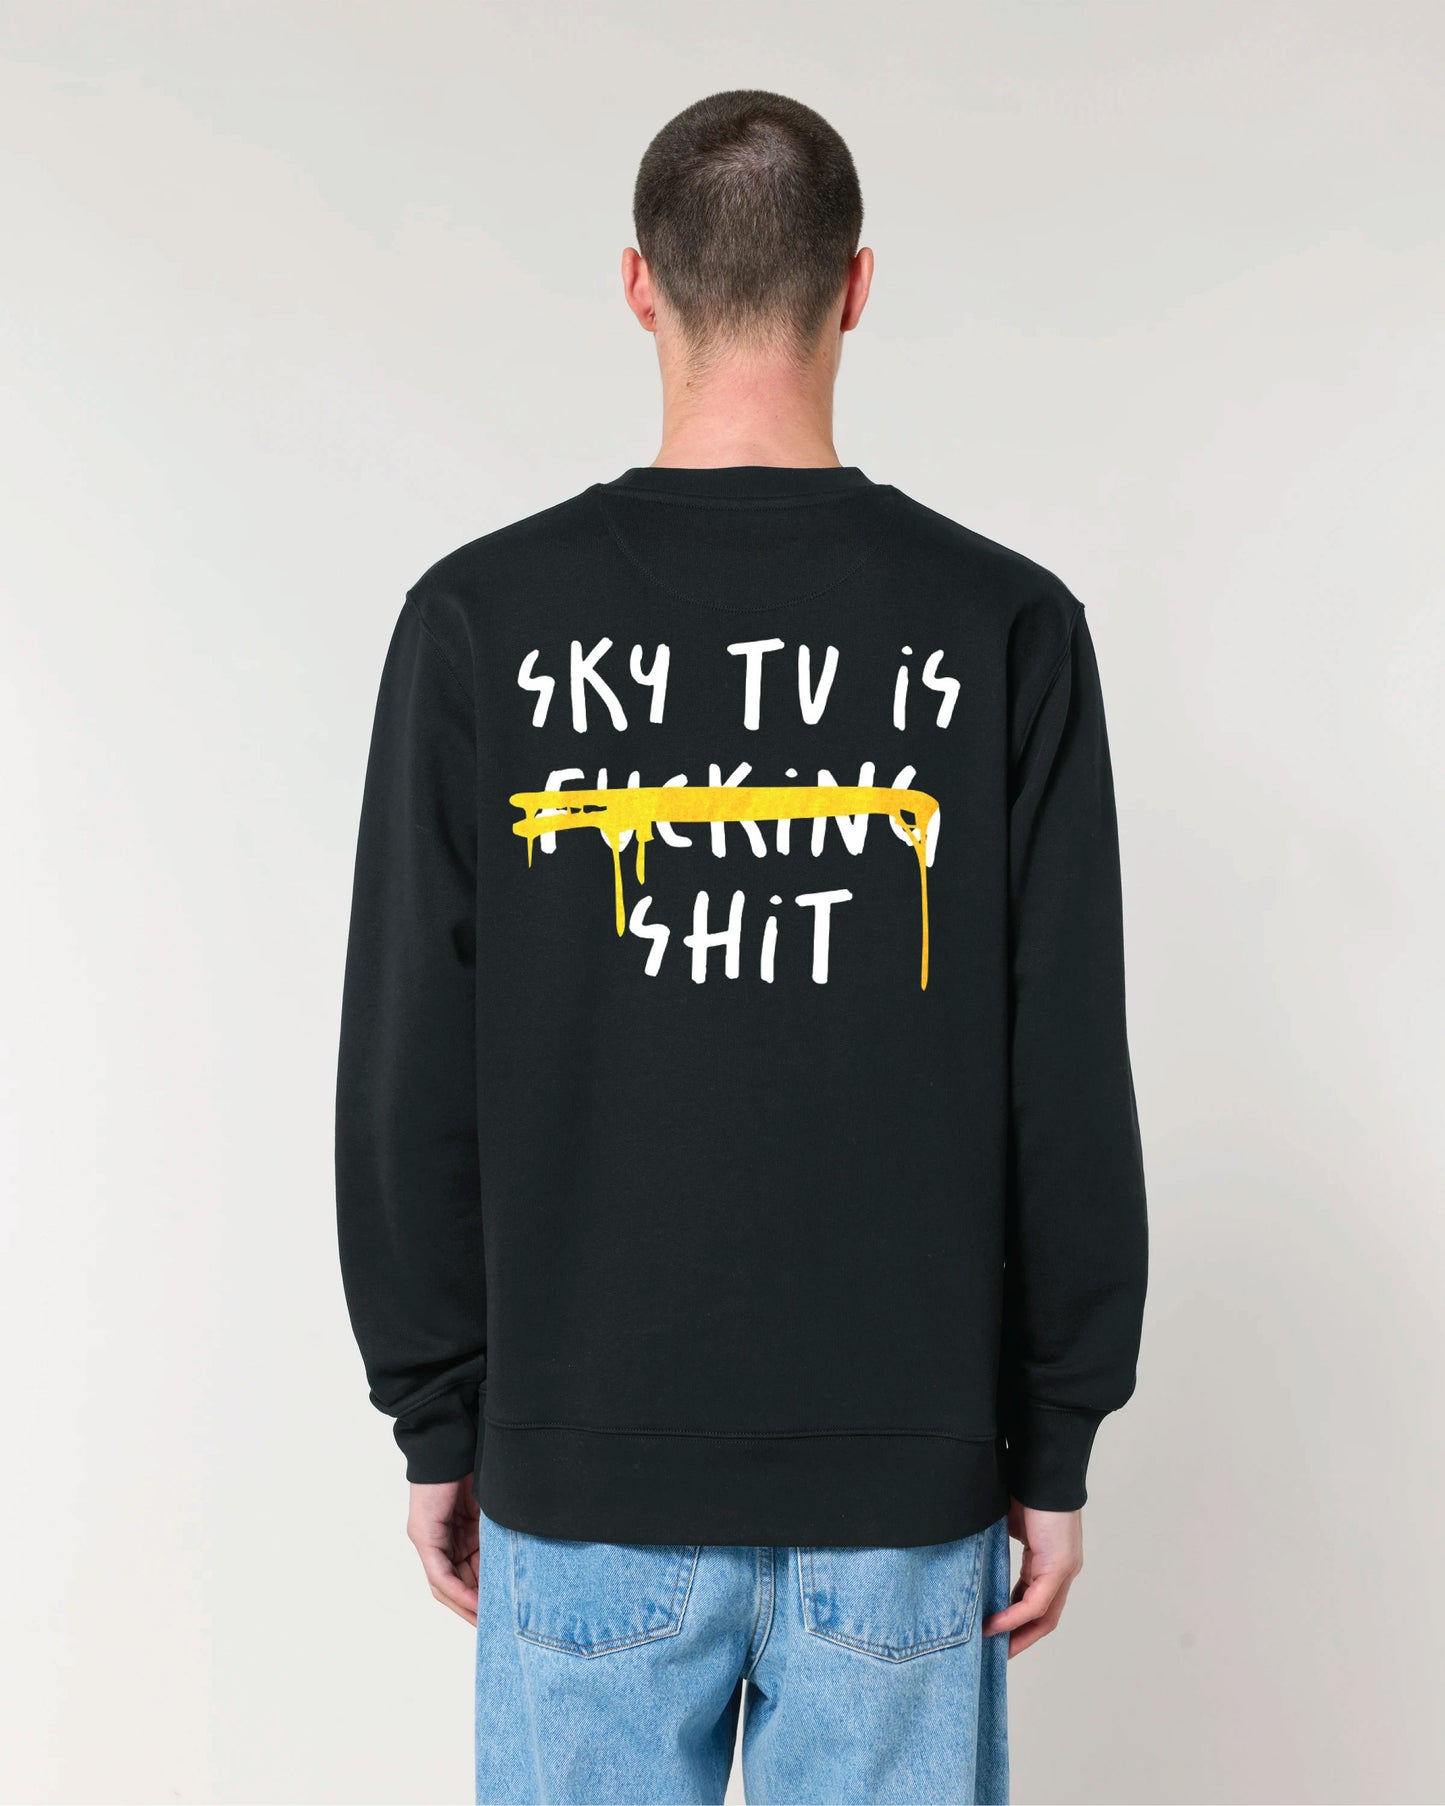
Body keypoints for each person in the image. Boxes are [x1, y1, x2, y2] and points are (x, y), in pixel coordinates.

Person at [336, 88, 1147, 1806]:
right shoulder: (1002, 625)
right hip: (902, 1477)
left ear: (638, 284)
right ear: (855, 286)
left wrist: (440, 1415)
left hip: (581, 1466)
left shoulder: (482, 620)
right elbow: (1063, 1063)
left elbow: (408, 1060)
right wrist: (1055, 1438)